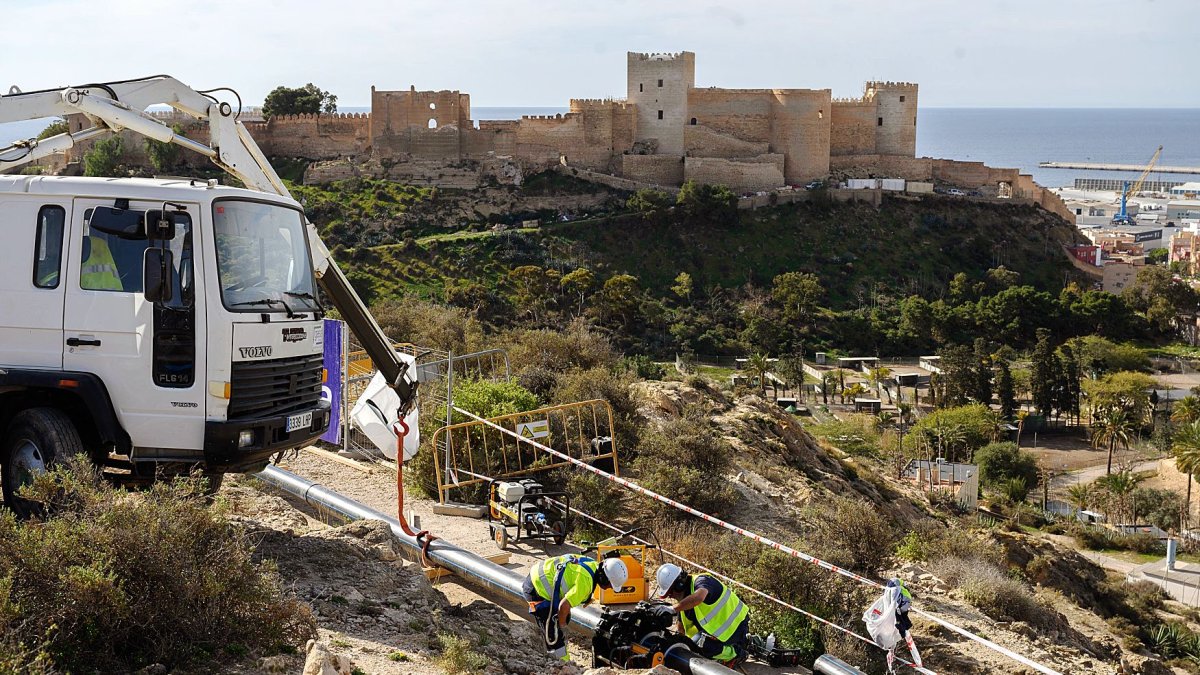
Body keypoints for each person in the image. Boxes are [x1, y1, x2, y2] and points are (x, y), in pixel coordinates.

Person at [524, 554, 628, 662]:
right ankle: (561, 663)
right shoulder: (586, 584)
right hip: (536, 588)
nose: (609, 588)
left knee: (563, 617)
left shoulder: (592, 564)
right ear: (604, 578)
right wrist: (562, 627)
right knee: (554, 634)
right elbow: (563, 606)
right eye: (610, 585)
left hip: (539, 572)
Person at [652, 563, 750, 667]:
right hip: (720, 632)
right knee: (694, 645)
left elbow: (699, 597)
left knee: (701, 644)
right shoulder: (684, 603)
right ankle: (725, 648)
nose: (671, 597)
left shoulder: (703, 581)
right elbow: (682, 630)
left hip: (737, 626)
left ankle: (736, 654)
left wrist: (672, 609)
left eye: (670, 593)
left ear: (679, 585)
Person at [886, 577, 922, 672]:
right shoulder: (898, 586)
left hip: (897, 611)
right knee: (896, 629)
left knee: (896, 630)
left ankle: (892, 651)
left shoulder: (896, 586)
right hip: (899, 611)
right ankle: (892, 652)